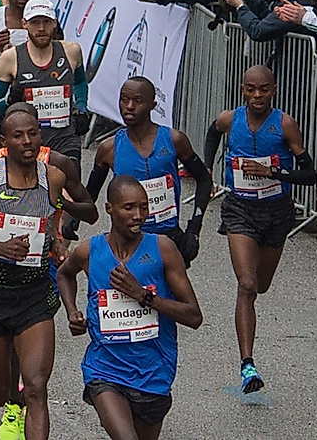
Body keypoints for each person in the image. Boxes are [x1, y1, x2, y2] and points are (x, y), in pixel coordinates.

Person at [0, 106, 90, 440]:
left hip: (35, 293)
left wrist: (56, 242)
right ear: (4, 141)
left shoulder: (53, 177)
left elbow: (48, 222)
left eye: (33, 134)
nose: (27, 141)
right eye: (18, 136)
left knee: (36, 388)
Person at [57, 175, 206, 440]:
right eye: (129, 208)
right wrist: (72, 311)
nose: (138, 215)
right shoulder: (90, 251)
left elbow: (194, 316)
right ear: (109, 209)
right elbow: (64, 274)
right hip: (105, 369)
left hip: (154, 371)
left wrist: (143, 296)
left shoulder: (163, 249)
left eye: (144, 207)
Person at [200, 65, 315, 394]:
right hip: (239, 210)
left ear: (273, 89)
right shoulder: (229, 119)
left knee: (261, 285)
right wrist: (207, 168)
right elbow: (211, 132)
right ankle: (247, 365)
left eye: (263, 89)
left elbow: (311, 175)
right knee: (247, 285)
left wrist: (274, 173)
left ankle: (248, 358)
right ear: (243, 89)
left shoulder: (285, 124)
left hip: (277, 212)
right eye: (251, 89)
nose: (257, 95)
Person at [90, 77, 216, 264]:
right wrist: (72, 220)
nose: (129, 106)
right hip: (128, 240)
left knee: (170, 293)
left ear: (152, 105)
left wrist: (194, 230)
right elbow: (89, 195)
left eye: (138, 101)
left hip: (169, 237)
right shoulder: (108, 149)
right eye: (124, 100)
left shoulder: (174, 140)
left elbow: (204, 180)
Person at [0, 0, 91, 161]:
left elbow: (80, 82)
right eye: (35, 22)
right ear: (24, 24)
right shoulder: (11, 58)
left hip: (64, 137)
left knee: (69, 180)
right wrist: (9, 100)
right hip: (27, 142)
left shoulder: (72, 51)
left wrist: (82, 108)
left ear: (55, 23)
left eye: (46, 22)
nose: (41, 28)